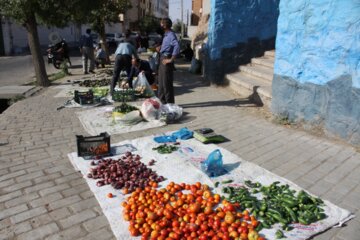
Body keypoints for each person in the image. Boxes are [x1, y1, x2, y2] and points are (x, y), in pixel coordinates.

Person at [158, 18, 180, 104]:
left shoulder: (171, 35)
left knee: (166, 84)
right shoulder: (166, 35)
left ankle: (169, 104)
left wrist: (171, 60)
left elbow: (177, 46)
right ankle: (161, 103)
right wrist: (160, 48)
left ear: (165, 25)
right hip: (162, 58)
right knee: (161, 84)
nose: (160, 25)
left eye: (161, 24)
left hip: (166, 60)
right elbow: (168, 46)